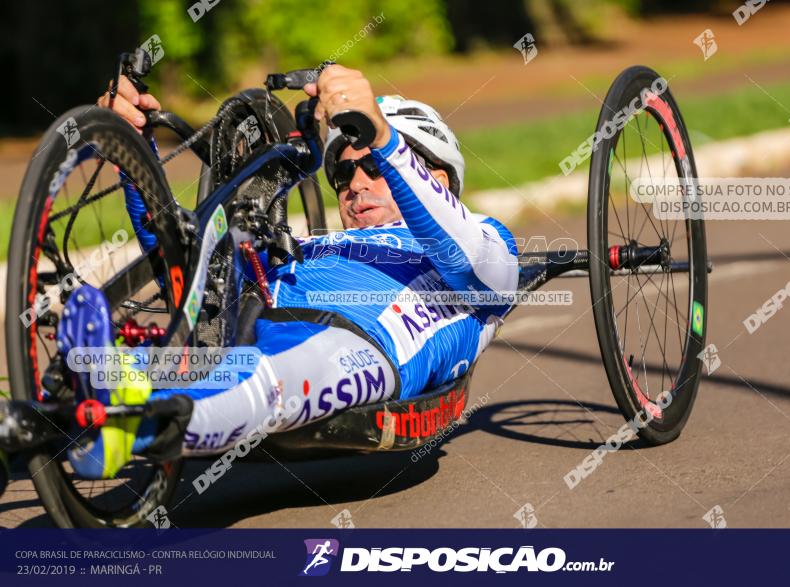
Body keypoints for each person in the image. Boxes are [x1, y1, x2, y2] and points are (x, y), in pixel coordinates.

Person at [62, 66, 518, 480]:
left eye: (372, 167)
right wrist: (134, 152)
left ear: (437, 178)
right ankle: (65, 398)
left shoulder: (483, 238)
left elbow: (474, 265)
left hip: (357, 342)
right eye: (343, 173)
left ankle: (133, 426)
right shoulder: (310, 246)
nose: (355, 184)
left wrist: (385, 141)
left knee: (268, 374)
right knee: (141, 361)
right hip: (245, 332)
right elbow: (190, 278)